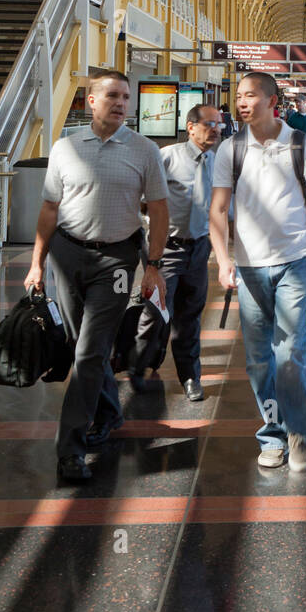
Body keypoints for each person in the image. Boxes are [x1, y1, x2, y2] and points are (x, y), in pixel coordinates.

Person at [24, 69, 170, 484]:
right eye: (113, 96)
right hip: (68, 254)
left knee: (90, 351)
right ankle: (108, 410)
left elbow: (158, 210)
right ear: (91, 101)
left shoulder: (144, 150)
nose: (122, 103)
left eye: (126, 96)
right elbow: (50, 209)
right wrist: (37, 262)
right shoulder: (66, 148)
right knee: (79, 345)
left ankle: (70, 449)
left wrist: (154, 265)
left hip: (118, 261)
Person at [209, 71, 306, 474]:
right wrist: (222, 260)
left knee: (289, 352)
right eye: (239, 96)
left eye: (250, 95)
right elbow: (218, 210)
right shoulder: (230, 149)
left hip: (296, 259)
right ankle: (272, 432)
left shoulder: (301, 144)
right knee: (257, 360)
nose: (241, 102)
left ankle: (300, 434)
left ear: (272, 102)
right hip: (250, 266)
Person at [132, 102, 223, 401]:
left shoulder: (219, 162)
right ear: (191, 127)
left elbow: (224, 209)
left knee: (189, 317)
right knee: (155, 312)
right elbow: (144, 201)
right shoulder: (167, 158)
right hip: (166, 250)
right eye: (209, 123)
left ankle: (189, 377)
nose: (215, 129)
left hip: (199, 248)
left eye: (218, 124)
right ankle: (140, 365)